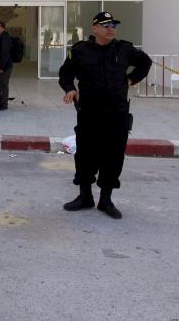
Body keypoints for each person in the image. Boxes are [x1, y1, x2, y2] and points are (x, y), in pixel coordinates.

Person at [58, 11, 151, 219]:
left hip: (117, 113)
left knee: (113, 156)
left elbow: (145, 62)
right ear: (95, 28)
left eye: (113, 25)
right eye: (106, 25)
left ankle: (106, 200)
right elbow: (65, 73)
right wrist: (70, 89)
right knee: (85, 155)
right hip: (89, 113)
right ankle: (85, 196)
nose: (111, 29)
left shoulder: (124, 49)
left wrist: (131, 79)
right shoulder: (80, 50)